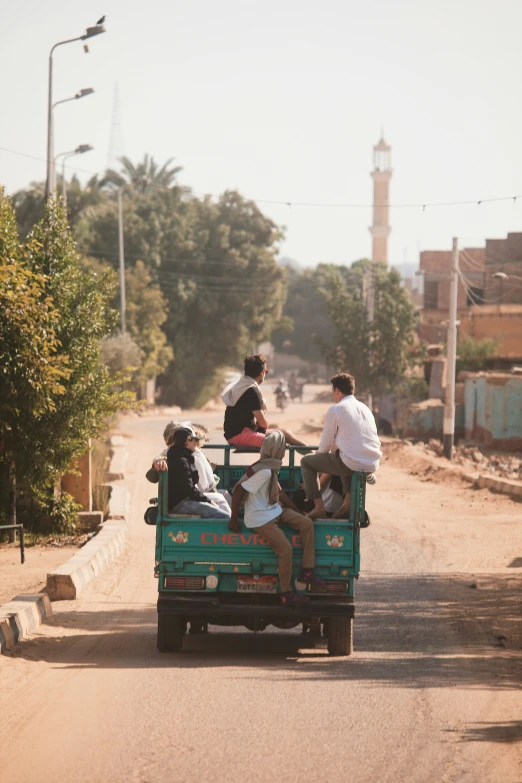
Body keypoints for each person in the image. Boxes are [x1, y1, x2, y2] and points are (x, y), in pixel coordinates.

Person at [229, 431, 324, 605]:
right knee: (285, 550)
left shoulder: (270, 466)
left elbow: (279, 493)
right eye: (283, 447)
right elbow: (238, 491)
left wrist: (297, 511)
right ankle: (286, 593)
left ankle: (307, 571)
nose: (285, 450)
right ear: (277, 449)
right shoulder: (264, 471)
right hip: (261, 518)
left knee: (306, 523)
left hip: (274, 509)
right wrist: (234, 519)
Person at [301, 373, 381, 520]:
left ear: (337, 390)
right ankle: (348, 499)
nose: (332, 394)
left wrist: (318, 471)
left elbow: (324, 447)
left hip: (351, 462)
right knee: (343, 455)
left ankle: (318, 507)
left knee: (306, 462)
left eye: (333, 391)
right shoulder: (365, 408)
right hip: (371, 463)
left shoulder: (336, 409)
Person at [221, 354, 307, 448]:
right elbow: (262, 423)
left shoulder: (241, 385)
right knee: (277, 441)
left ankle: (309, 452)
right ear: (262, 373)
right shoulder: (251, 390)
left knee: (286, 433)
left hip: (242, 433)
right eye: (266, 371)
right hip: (240, 435)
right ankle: (268, 463)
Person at [151, 421, 232, 515]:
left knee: (225, 496)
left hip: (199, 492)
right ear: (186, 440)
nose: (195, 441)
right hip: (190, 497)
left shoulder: (192, 452)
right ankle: (229, 524)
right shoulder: (177, 456)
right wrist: (157, 462)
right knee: (222, 507)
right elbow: (189, 489)